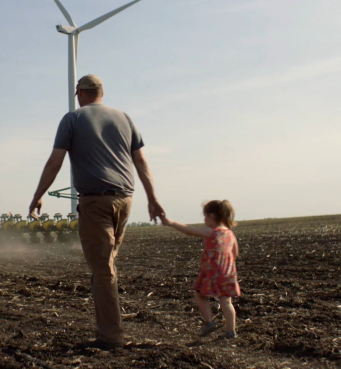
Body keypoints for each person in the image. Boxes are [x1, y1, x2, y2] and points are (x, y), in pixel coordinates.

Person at [29, 74, 165, 349]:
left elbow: (55, 161)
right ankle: (107, 325)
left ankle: (111, 336)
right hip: (125, 200)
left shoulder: (73, 119)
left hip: (95, 202)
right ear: (102, 92)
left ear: (79, 92)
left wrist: (38, 195)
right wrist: (153, 198)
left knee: (103, 270)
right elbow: (141, 160)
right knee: (105, 266)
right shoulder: (124, 118)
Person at [162, 200, 240, 339]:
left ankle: (210, 322)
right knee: (226, 302)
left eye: (205, 216)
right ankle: (230, 332)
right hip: (228, 273)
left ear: (212, 216)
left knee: (199, 294)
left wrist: (171, 222)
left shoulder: (211, 231)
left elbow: (190, 231)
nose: (204, 220)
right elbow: (235, 253)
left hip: (212, 271)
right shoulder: (230, 234)